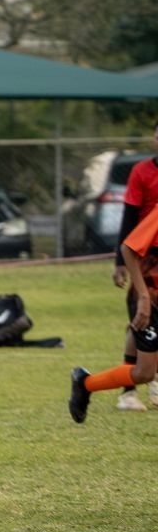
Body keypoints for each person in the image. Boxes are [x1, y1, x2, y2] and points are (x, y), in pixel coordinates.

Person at [70, 203, 158, 423]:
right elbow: (128, 249)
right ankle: (85, 384)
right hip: (149, 300)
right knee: (144, 373)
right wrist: (144, 298)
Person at [109, 123, 158, 411]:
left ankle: (151, 384)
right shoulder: (141, 172)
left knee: (145, 324)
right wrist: (119, 263)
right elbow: (128, 219)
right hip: (145, 255)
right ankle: (128, 391)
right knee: (142, 321)